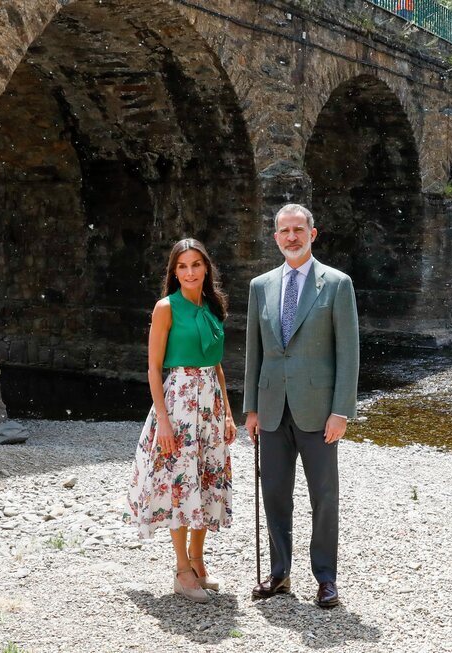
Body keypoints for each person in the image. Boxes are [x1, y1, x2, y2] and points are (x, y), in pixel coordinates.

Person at [244, 203, 359, 609]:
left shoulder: (337, 284)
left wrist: (342, 410)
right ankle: (279, 574)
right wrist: (252, 408)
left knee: (324, 497)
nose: (291, 237)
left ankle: (325, 578)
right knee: (275, 493)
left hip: (319, 411)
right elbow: (253, 353)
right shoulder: (261, 285)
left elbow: (349, 353)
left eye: (298, 229)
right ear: (275, 237)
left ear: (313, 233)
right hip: (272, 409)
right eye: (283, 231)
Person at [124, 238, 236, 604]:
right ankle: (181, 570)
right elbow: (154, 369)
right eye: (182, 267)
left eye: (196, 265)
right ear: (174, 272)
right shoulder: (165, 308)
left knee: (205, 479)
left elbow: (217, 365)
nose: (190, 272)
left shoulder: (213, 305)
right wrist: (165, 422)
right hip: (180, 402)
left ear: (206, 268)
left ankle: (200, 565)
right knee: (180, 482)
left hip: (212, 405)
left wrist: (229, 414)